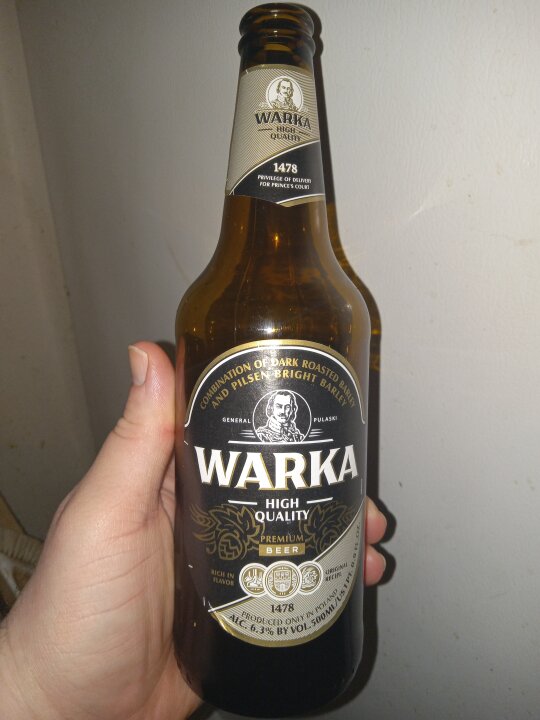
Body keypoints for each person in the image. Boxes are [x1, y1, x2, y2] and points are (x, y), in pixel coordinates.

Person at [0, 342, 388, 720]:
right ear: (269, 409)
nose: (285, 410)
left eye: (290, 407)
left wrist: (33, 694)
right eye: (279, 405)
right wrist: (33, 690)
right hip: (215, 645)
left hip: (317, 646)